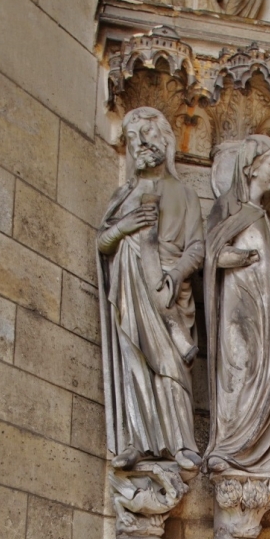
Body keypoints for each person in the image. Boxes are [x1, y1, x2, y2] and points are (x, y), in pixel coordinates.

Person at [97, 107, 204, 471]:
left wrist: (174, 277)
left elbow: (197, 248)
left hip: (168, 296)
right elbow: (103, 244)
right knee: (135, 361)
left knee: (172, 365)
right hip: (129, 291)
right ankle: (137, 440)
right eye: (133, 137)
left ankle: (181, 443)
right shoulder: (122, 196)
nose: (142, 142)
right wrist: (125, 226)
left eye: (149, 133)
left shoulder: (184, 194)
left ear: (166, 142)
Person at [203, 136, 270, 474]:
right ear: (251, 167)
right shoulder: (227, 209)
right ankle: (230, 447)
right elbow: (211, 253)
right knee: (239, 367)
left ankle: (261, 449)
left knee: (268, 374)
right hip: (240, 308)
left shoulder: (267, 221)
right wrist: (239, 257)